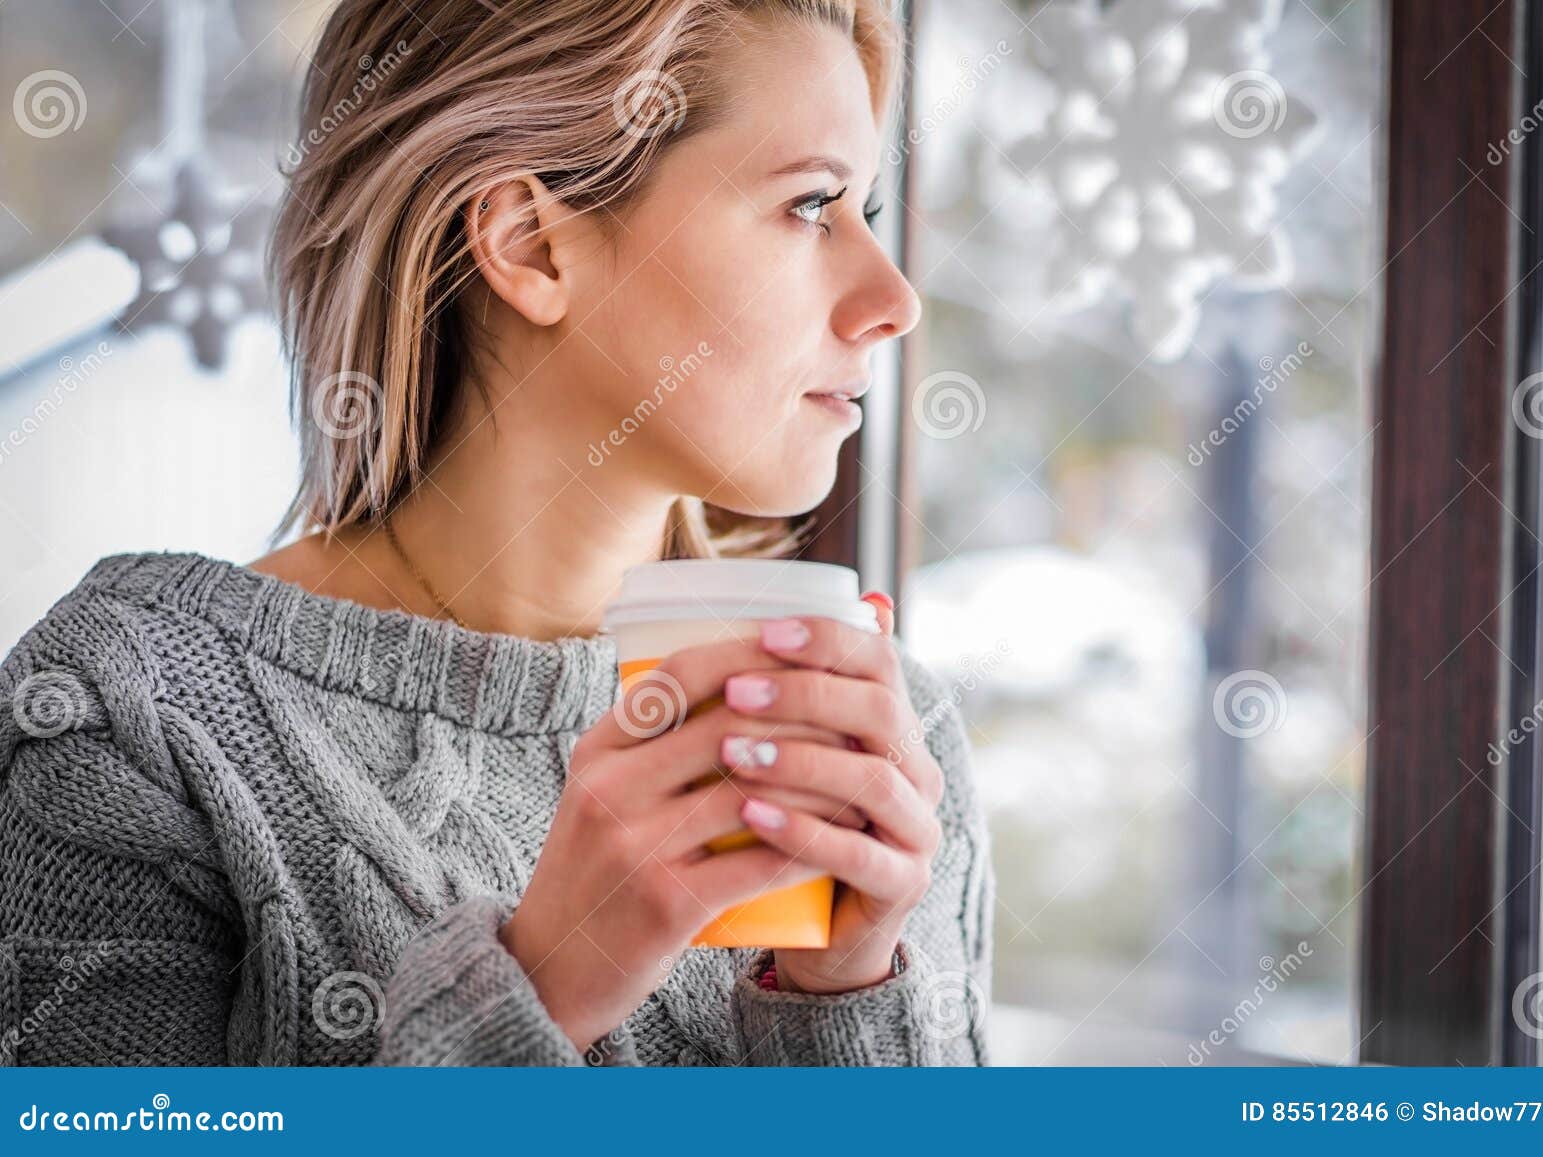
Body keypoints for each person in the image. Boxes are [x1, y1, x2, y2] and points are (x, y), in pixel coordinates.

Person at [0, 0, 994, 1066]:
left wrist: (850, 998)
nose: (892, 299)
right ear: (531, 243)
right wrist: (542, 986)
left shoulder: (885, 743)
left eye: (866, 214)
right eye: (809, 205)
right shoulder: (121, 719)